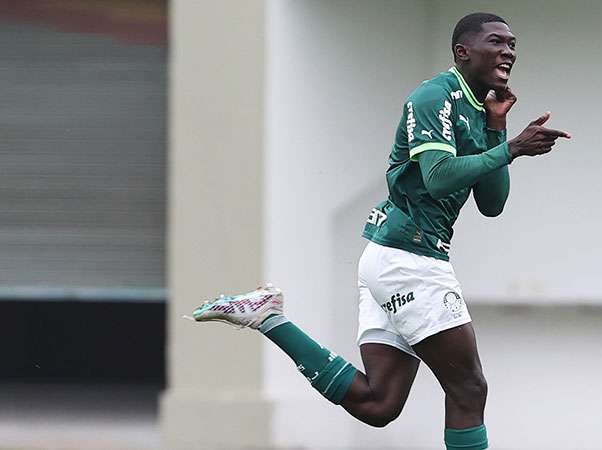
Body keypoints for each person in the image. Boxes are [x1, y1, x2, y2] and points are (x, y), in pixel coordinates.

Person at [190, 12, 570, 450]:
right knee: (469, 389)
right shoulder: (434, 97)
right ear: (462, 51)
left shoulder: (477, 107)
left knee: (379, 404)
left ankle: (268, 317)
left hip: (395, 260)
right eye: (497, 42)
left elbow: (491, 204)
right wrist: (511, 148)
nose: (509, 51)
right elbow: (439, 176)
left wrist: (498, 129)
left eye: (513, 44)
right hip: (410, 260)